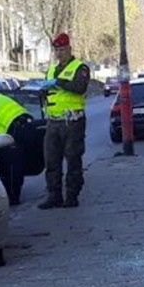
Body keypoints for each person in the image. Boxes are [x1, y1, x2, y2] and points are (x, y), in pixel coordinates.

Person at [38, 33, 90, 209]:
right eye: (56, 50)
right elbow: (49, 92)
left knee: (73, 158)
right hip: (53, 122)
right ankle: (54, 196)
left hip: (73, 121)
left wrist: (58, 82)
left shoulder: (80, 68)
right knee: (51, 161)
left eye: (62, 50)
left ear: (69, 49)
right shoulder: (52, 70)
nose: (59, 54)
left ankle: (72, 196)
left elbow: (79, 87)